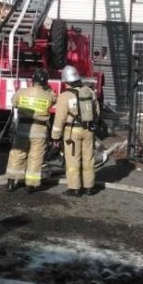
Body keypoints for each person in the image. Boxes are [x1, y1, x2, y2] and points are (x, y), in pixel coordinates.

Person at [51, 65, 100, 197]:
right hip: (88, 130)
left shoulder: (64, 96)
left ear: (65, 81)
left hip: (72, 132)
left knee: (73, 160)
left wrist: (55, 137)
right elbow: (97, 111)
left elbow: (59, 119)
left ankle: (74, 188)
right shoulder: (89, 92)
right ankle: (89, 187)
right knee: (89, 159)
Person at [5, 68, 56, 193]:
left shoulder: (22, 92)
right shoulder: (48, 95)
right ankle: (31, 185)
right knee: (36, 157)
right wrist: (47, 89)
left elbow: (13, 102)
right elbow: (54, 99)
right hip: (40, 129)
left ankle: (11, 182)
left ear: (33, 80)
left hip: (23, 128)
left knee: (17, 154)